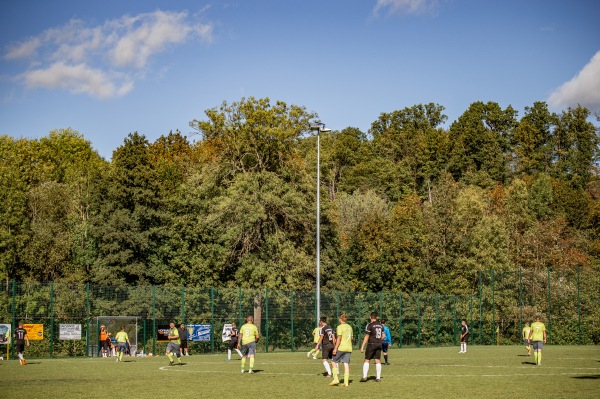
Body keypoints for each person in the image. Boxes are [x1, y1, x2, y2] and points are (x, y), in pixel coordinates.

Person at [329, 313, 353, 387]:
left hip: (342, 347)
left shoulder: (339, 327)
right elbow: (352, 338)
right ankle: (346, 382)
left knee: (333, 361)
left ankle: (336, 379)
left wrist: (335, 348)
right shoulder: (350, 327)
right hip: (349, 348)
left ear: (340, 319)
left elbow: (339, 338)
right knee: (346, 364)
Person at [359, 312, 384, 382]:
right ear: (377, 317)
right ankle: (378, 378)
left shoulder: (369, 325)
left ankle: (364, 377)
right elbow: (383, 335)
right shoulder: (380, 325)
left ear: (370, 317)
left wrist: (362, 346)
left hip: (371, 344)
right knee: (377, 360)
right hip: (379, 344)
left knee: (367, 359)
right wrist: (378, 340)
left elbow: (367, 336)